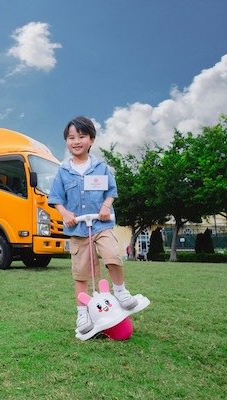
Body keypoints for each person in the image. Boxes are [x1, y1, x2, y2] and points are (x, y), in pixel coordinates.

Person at [48, 116, 139, 334]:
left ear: (92, 140)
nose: (76, 141)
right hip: (78, 229)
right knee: (80, 273)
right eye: (71, 137)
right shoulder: (63, 171)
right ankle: (82, 313)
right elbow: (56, 198)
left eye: (81, 137)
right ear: (66, 141)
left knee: (112, 255)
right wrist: (64, 213)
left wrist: (106, 206)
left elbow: (111, 191)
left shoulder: (100, 167)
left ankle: (120, 290)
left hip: (101, 225)